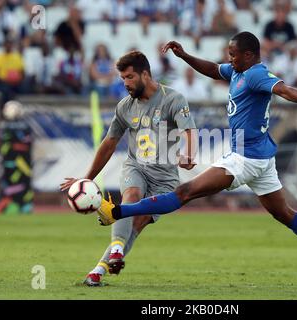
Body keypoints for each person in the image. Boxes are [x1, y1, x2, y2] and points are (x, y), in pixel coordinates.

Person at [96, 32, 297, 289]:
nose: (228, 59)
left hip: (245, 158)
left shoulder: (255, 74)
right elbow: (212, 69)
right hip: (262, 159)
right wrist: (185, 55)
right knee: (285, 214)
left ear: (249, 55)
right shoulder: (237, 72)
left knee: (185, 191)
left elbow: (283, 89)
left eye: (233, 55)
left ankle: (117, 211)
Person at [60, 51, 197, 286]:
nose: (126, 83)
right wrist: (86, 180)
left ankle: (99, 269)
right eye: (123, 78)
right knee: (130, 198)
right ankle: (112, 257)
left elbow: (190, 131)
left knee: (138, 221)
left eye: (130, 77)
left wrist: (190, 154)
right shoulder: (125, 106)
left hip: (165, 179)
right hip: (136, 167)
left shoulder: (173, 99)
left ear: (145, 74)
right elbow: (109, 143)